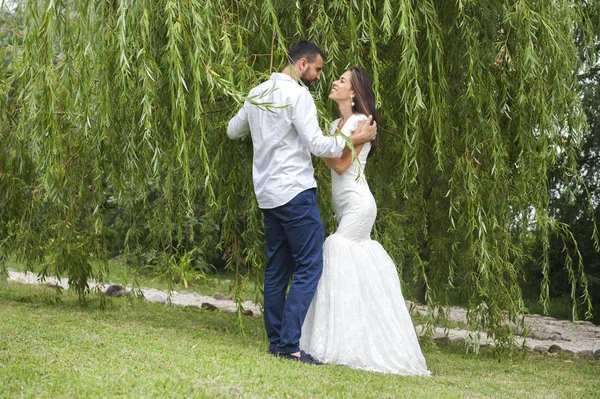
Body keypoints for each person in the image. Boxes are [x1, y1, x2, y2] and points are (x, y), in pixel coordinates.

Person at [227, 42, 377, 364]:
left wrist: (261, 128)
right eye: (319, 69)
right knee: (310, 265)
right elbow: (317, 144)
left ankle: (277, 343)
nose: (319, 77)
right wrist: (353, 138)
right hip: (295, 193)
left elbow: (232, 131)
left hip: (267, 196)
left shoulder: (256, 93)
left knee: (278, 269)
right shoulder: (298, 96)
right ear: (303, 64)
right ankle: (290, 346)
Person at [300, 67, 430, 375]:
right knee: (348, 267)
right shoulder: (336, 124)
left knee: (334, 248)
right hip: (343, 207)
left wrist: (320, 143)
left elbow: (342, 165)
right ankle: (349, 334)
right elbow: (331, 154)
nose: (334, 82)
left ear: (354, 93)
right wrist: (328, 141)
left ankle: (346, 341)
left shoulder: (362, 122)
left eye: (342, 81)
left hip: (359, 205)